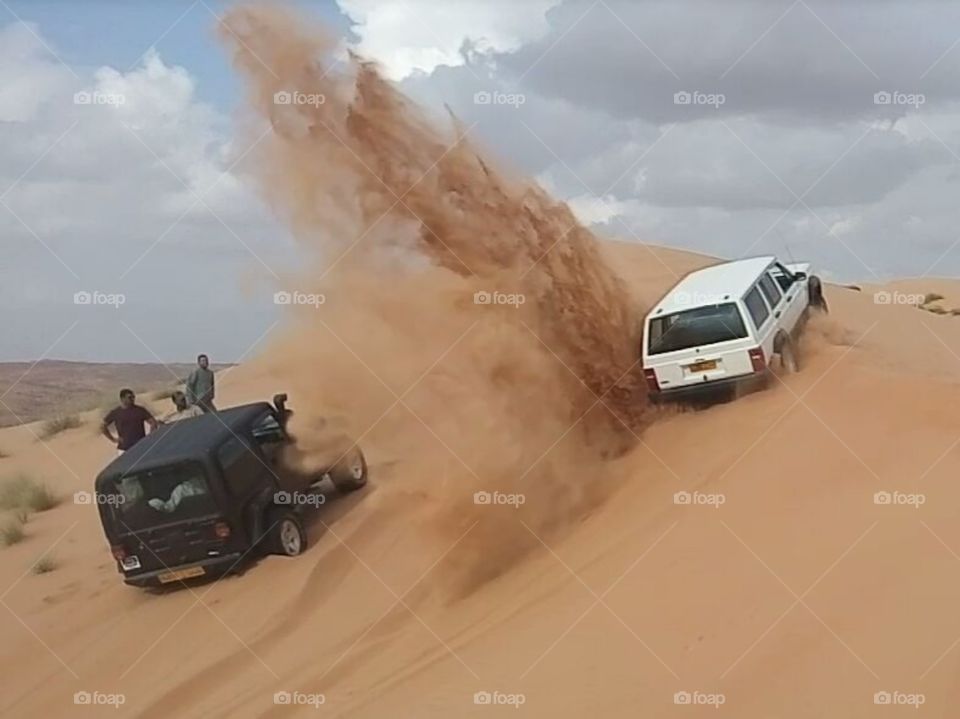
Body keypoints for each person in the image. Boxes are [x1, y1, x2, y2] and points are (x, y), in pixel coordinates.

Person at [101, 389, 157, 455]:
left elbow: (153, 422)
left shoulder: (140, 410)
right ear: (122, 399)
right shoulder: (116, 412)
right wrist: (113, 439)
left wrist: (150, 436)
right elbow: (102, 426)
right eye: (130, 397)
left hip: (140, 446)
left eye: (133, 397)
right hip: (124, 449)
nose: (132, 399)